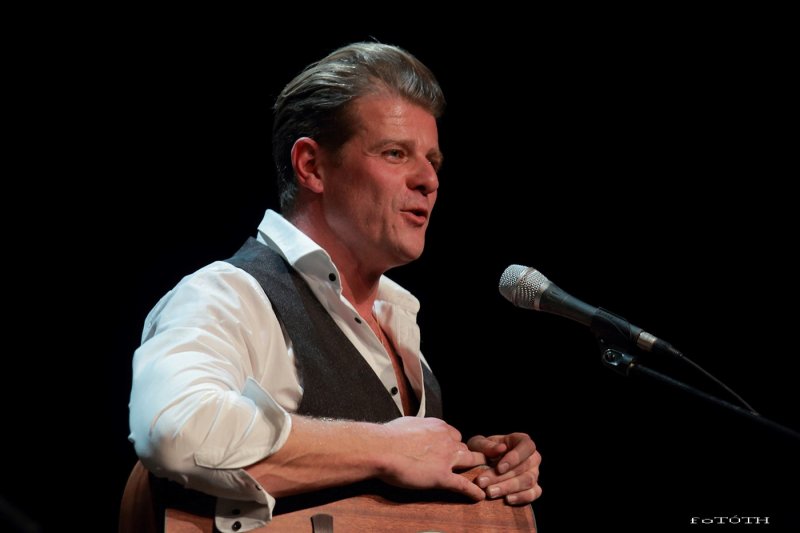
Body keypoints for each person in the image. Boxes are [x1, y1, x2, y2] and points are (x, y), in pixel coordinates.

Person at [128, 42, 542, 532]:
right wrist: (388, 447)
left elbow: (364, 496)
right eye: (395, 153)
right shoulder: (226, 295)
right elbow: (174, 430)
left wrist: (472, 465)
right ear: (311, 166)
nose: (428, 180)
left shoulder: (397, 320)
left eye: (433, 160)